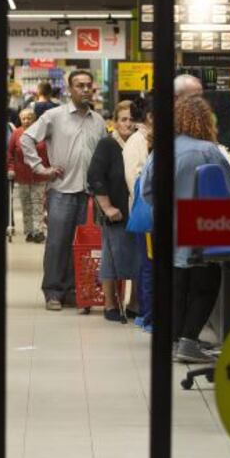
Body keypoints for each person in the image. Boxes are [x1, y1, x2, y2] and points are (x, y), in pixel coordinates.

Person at [142, 94, 230, 363]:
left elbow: (146, 191)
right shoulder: (209, 151)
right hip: (200, 231)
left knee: (176, 285)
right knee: (206, 285)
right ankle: (188, 340)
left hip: (167, 229)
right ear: (204, 121)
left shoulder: (161, 150)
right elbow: (229, 192)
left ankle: (174, 341)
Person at [20, 69, 106, 311]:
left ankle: (71, 290)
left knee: (79, 245)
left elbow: (102, 156)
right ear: (70, 89)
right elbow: (25, 138)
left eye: (89, 85)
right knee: (57, 243)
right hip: (61, 191)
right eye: (80, 85)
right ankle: (53, 292)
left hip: (88, 194)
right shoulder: (53, 116)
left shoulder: (98, 121)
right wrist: (40, 168)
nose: (85, 89)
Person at [88, 100, 139, 322]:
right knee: (111, 257)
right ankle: (110, 304)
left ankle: (135, 304)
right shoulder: (108, 145)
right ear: (115, 122)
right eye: (123, 119)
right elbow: (95, 177)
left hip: (138, 211)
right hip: (115, 211)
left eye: (132, 119)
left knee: (138, 259)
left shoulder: (141, 143)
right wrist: (107, 207)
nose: (128, 124)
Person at [123, 94, 154, 332]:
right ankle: (146, 314)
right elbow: (136, 181)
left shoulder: (149, 139)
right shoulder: (137, 142)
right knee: (148, 266)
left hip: (151, 213)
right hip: (148, 214)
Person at [7, 108, 48, 243]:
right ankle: (29, 231)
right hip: (22, 174)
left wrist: (48, 169)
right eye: (23, 118)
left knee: (37, 203)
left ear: (34, 118)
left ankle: (38, 232)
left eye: (29, 117)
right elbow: (9, 154)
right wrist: (11, 168)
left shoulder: (42, 133)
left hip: (39, 174)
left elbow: (48, 152)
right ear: (20, 119)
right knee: (26, 204)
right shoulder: (16, 134)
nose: (26, 120)